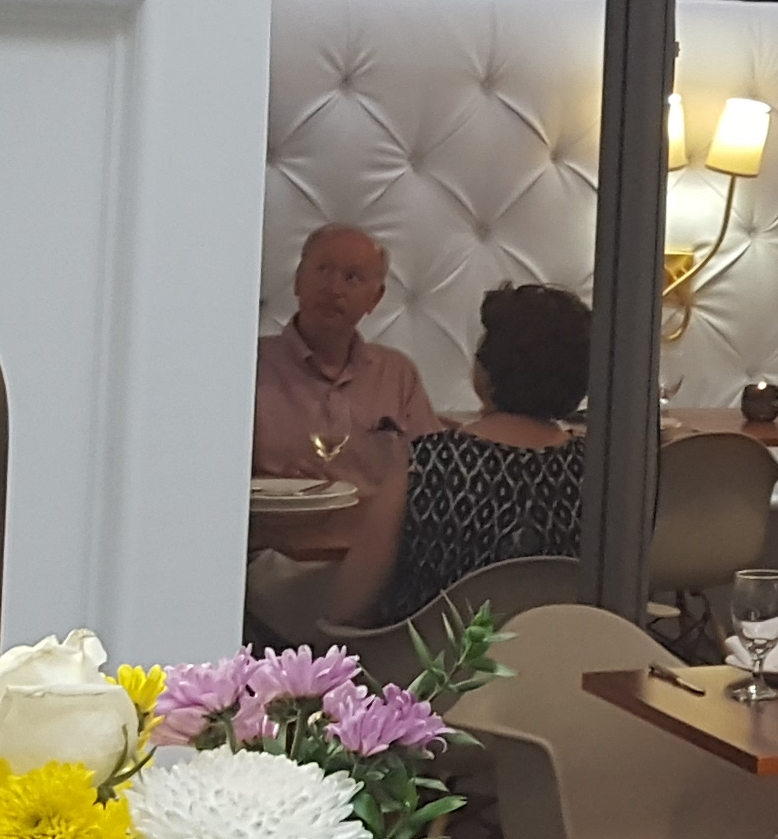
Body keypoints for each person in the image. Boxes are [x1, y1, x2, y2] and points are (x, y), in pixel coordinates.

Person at [252, 282, 590, 640]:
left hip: (426, 668)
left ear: (486, 369)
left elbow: (347, 607)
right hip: (561, 664)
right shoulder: (597, 470)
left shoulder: (429, 461)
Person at [251, 224, 441, 483]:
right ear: (298, 281)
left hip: (374, 509)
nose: (334, 289)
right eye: (323, 271)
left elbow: (431, 473)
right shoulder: (253, 364)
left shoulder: (397, 374)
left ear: (375, 298)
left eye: (352, 278)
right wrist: (274, 487)